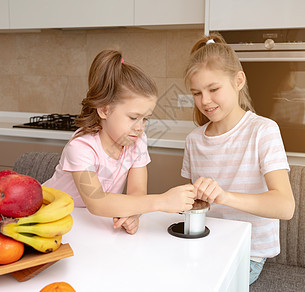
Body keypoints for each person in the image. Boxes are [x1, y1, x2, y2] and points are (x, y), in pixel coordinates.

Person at [181, 33, 295, 285]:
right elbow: (195, 203)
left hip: (248, 253)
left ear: (238, 80)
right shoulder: (194, 140)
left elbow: (285, 206)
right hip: (205, 242)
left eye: (213, 89)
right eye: (197, 93)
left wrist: (225, 197)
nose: (205, 101)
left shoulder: (262, 131)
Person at [44, 49, 196, 235]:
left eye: (146, 118)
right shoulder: (81, 147)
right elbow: (97, 202)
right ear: (104, 111)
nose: (140, 127)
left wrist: (133, 214)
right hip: (53, 219)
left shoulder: (137, 141)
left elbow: (137, 191)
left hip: (92, 225)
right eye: (133, 117)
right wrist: (162, 201)